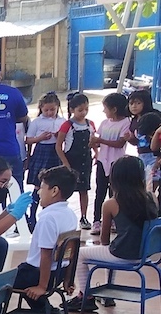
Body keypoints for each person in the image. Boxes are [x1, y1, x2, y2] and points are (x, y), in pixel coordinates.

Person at [0, 166, 80, 314]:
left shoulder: (47, 218)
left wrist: (42, 286)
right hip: (59, 273)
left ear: (54, 191)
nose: (38, 192)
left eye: (42, 188)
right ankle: (46, 312)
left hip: (38, 273)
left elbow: (46, 255)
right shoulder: (70, 214)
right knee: (22, 278)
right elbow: (72, 250)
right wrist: (68, 279)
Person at [68, 155, 158, 313]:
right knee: (113, 248)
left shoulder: (111, 203)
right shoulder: (151, 199)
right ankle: (107, 296)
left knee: (80, 254)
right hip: (145, 254)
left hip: (123, 254)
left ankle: (85, 295)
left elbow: (104, 241)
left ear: (115, 178)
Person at [89, 92, 133, 233]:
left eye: (106, 108)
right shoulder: (105, 123)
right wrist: (94, 143)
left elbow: (120, 143)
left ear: (114, 109)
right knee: (99, 191)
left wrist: (100, 141)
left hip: (116, 162)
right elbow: (98, 140)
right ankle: (97, 220)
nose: (104, 111)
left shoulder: (126, 123)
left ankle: (114, 219)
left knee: (115, 191)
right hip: (103, 160)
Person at [24, 92, 65, 231]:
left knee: (55, 185)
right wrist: (40, 138)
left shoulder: (61, 121)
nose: (49, 112)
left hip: (56, 152)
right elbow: (28, 139)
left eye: (52, 109)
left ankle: (50, 215)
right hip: (42, 151)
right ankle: (32, 215)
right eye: (46, 110)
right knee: (38, 185)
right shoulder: (37, 122)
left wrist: (59, 136)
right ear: (41, 108)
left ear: (58, 107)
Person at [55, 92, 95, 231]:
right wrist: (66, 164)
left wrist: (97, 153)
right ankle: (62, 217)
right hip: (71, 161)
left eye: (86, 109)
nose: (83, 113)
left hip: (86, 160)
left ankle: (84, 217)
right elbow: (58, 146)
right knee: (65, 191)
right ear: (72, 110)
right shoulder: (67, 125)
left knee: (84, 189)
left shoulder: (90, 124)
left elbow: (93, 142)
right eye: (80, 110)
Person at [129, 89, 161, 178]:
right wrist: (130, 139)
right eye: (131, 104)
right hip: (141, 154)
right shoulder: (134, 120)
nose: (134, 106)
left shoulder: (153, 118)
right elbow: (137, 140)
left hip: (154, 155)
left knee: (153, 179)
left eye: (138, 103)